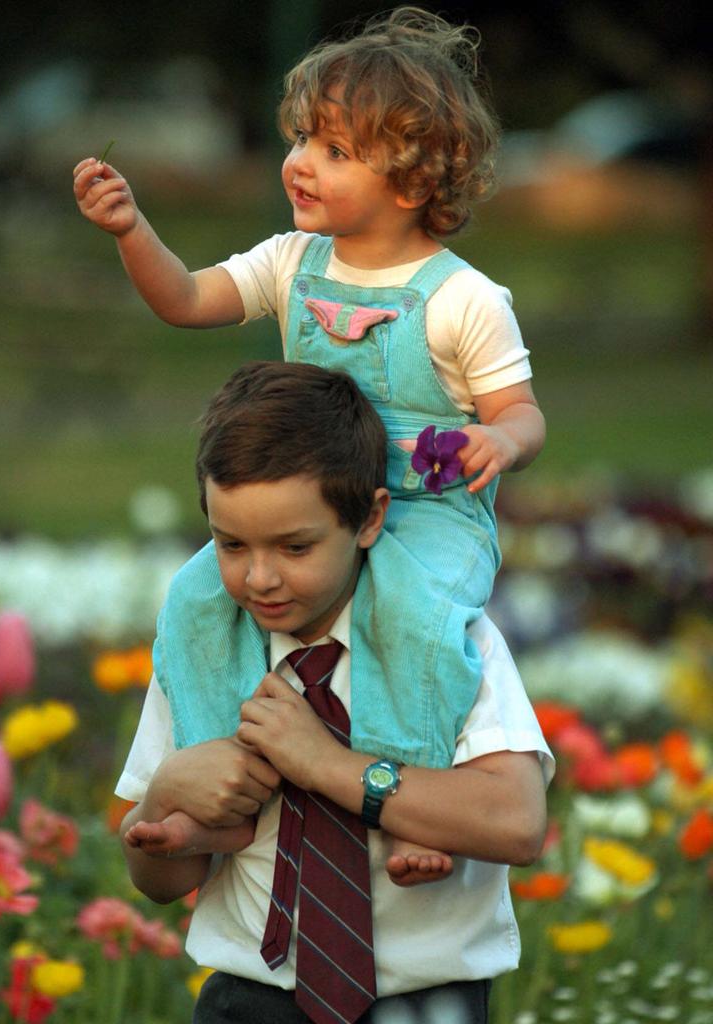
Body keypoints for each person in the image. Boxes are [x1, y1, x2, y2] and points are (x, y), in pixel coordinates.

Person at [73, 7, 546, 784]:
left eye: (334, 150)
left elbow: (521, 414)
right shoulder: (293, 262)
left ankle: (407, 785)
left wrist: (500, 441)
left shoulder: (465, 299)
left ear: (415, 178)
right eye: (300, 140)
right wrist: (131, 230)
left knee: (409, 616)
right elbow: (187, 301)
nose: (298, 162)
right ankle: (211, 769)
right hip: (310, 503)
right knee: (195, 597)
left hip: (428, 513)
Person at [116, 360, 553, 1024]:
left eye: (295, 548)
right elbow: (160, 880)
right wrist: (168, 790)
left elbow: (516, 822)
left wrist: (325, 764)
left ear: (370, 519)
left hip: (422, 1001)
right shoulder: (203, 645)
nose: (259, 577)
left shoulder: (445, 639)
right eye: (230, 544)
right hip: (249, 999)